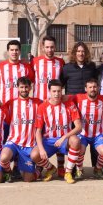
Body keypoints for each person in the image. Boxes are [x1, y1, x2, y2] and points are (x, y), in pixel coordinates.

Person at [30, 79, 82, 184]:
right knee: (34, 155)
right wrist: (41, 149)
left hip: (64, 140)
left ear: (62, 91)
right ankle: (50, 168)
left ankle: (68, 172)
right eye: (54, 91)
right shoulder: (42, 107)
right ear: (49, 91)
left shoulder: (69, 104)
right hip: (49, 140)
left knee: (76, 141)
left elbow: (78, 127)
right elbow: (38, 131)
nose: (57, 94)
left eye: (59, 91)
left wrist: (64, 137)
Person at [31, 35, 65, 176]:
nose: (49, 49)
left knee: (58, 131)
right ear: (42, 47)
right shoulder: (35, 62)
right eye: (47, 47)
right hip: (40, 104)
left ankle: (61, 166)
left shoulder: (60, 62)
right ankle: (41, 165)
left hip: (56, 103)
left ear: (55, 47)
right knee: (39, 133)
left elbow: (63, 82)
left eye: (52, 47)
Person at [0, 77, 41, 182]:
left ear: (30, 88)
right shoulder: (10, 104)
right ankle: (9, 172)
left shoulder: (38, 103)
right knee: (3, 158)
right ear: (17, 88)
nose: (24, 89)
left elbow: (50, 103)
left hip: (29, 144)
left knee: (28, 180)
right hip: (14, 142)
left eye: (26, 87)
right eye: (21, 87)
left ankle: (39, 167)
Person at [69, 79, 103, 179]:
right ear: (85, 89)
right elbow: (66, 98)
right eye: (90, 87)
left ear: (98, 88)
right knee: (80, 149)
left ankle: (98, 169)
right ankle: (79, 169)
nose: (93, 89)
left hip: (98, 135)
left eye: (95, 87)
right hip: (83, 133)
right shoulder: (78, 98)